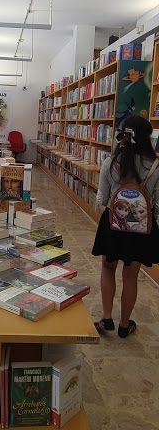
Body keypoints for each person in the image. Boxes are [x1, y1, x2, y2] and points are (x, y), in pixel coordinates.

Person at [92, 116, 159, 338]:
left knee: (108, 268)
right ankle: (124, 325)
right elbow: (157, 204)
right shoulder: (156, 165)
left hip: (113, 224)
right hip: (140, 229)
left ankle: (106, 318)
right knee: (131, 277)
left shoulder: (110, 162)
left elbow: (101, 200)